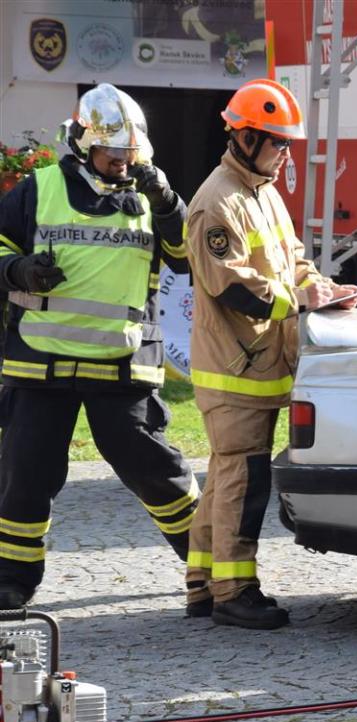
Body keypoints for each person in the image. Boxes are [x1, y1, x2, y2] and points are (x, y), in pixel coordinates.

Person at [0, 84, 198, 609]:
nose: (122, 165)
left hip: (123, 362)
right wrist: (16, 269)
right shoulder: (38, 189)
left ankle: (209, 565)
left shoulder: (153, 195)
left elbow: (187, 257)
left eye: (130, 155)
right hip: (41, 362)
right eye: (112, 155)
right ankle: (11, 580)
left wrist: (168, 203)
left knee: (156, 469)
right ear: (84, 147)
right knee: (25, 472)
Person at [185, 79, 357, 630]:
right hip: (234, 368)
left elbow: (292, 262)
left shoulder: (262, 193)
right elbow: (231, 287)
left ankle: (202, 584)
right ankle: (234, 591)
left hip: (256, 365)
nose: (287, 155)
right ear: (246, 138)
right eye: (279, 143)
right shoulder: (217, 201)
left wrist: (323, 288)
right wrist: (301, 300)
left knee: (227, 475)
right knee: (244, 479)